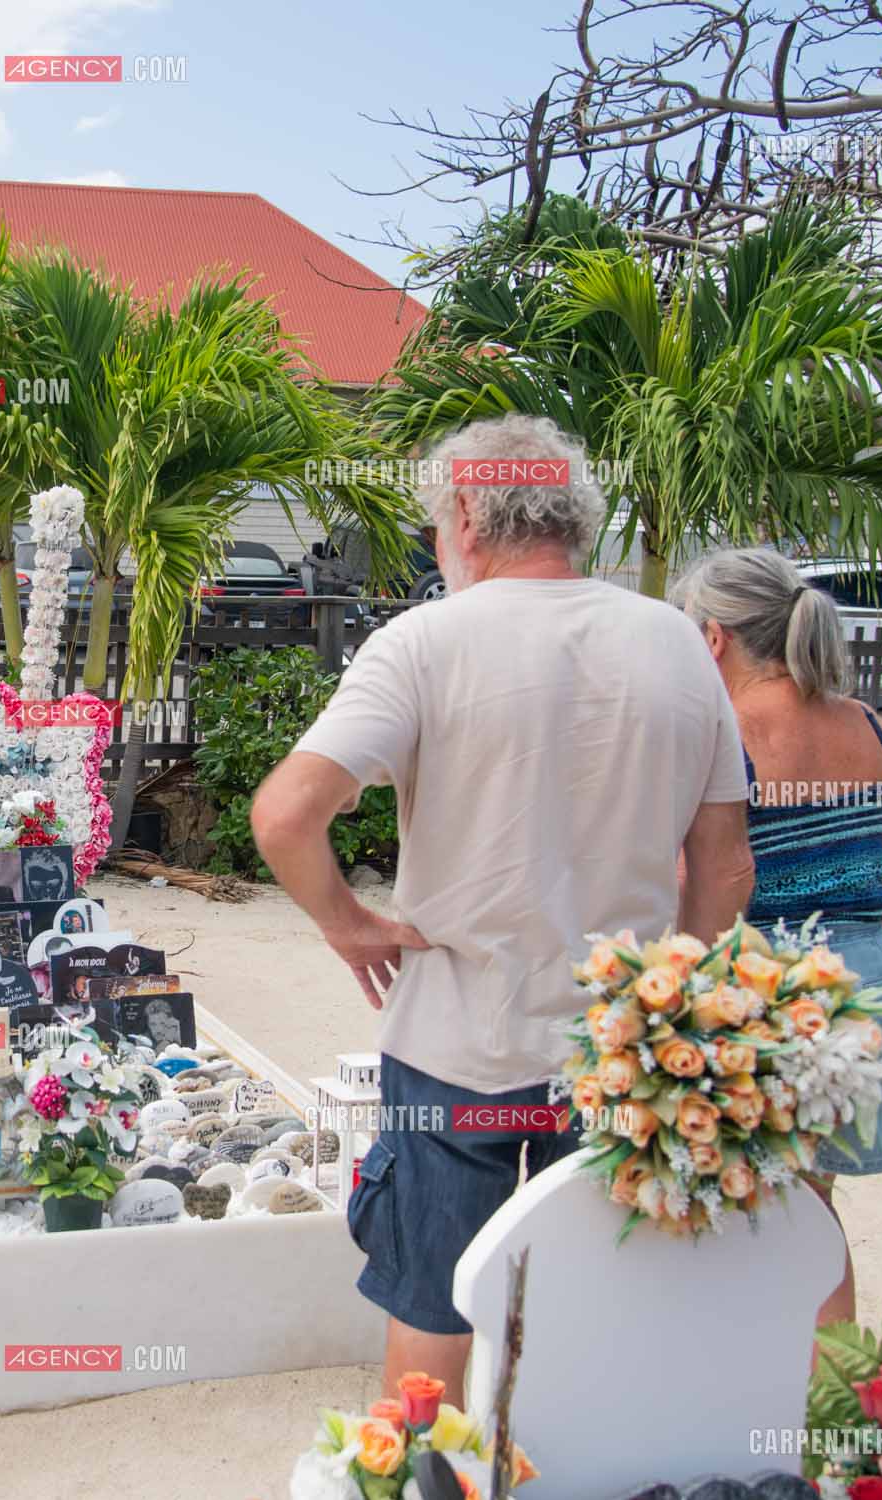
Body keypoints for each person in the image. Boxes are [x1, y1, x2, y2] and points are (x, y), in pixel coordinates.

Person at [250, 414, 755, 1400]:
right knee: (603, 1299)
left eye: (440, 520)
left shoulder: (425, 642)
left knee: (433, 1301)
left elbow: (284, 815)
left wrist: (348, 923)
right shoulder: (677, 644)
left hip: (457, 1047)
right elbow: (726, 867)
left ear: (471, 517)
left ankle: (422, 1470)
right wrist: (664, 990)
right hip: (619, 1053)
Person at [673, 546, 882, 1329]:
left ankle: (749, 1403)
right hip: (863, 984)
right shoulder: (875, 732)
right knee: (811, 1212)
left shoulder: (716, 735)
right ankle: (835, 1400)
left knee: (736, 1212)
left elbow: (707, 881)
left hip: (761, 991)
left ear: (713, 639)